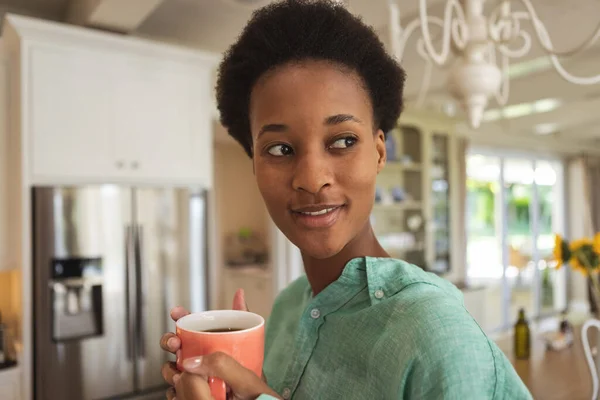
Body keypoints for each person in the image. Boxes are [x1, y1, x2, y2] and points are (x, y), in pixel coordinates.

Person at [159, 1, 533, 399]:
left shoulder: (436, 334)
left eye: (342, 141)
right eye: (280, 149)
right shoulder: (287, 309)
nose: (312, 179)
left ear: (379, 152)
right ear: (254, 163)